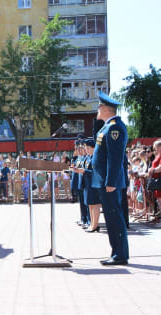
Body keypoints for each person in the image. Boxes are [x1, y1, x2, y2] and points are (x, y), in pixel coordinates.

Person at [92, 91, 129, 266]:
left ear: (106, 109)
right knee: (111, 219)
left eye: (99, 106)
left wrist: (111, 182)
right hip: (104, 181)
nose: (97, 109)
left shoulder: (115, 127)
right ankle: (116, 252)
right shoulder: (107, 127)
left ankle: (120, 255)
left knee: (115, 218)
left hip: (109, 183)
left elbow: (115, 157)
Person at [77, 138, 101, 232]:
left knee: (95, 205)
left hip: (94, 184)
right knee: (90, 205)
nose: (86, 149)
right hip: (87, 184)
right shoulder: (88, 158)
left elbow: (96, 172)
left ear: (93, 148)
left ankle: (95, 225)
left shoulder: (96, 157)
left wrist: (84, 171)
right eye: (86, 147)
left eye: (88, 147)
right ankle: (92, 224)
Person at [148, 139, 161, 216]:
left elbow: (160, 168)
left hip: (159, 180)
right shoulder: (158, 155)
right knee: (159, 200)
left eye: (156, 147)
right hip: (156, 181)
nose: (155, 149)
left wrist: (152, 170)